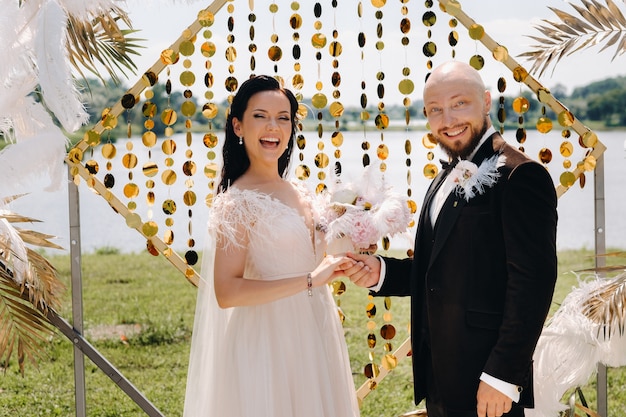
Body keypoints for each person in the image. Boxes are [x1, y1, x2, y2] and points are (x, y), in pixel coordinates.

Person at [343, 61, 558, 417]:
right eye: (435, 110)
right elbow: (442, 268)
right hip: (440, 374)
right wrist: (381, 272)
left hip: (486, 378)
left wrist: (503, 375)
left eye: (460, 103)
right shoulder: (444, 177)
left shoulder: (521, 175)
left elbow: (533, 283)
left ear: (486, 102)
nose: (448, 119)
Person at [183, 75, 360, 417]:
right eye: (260, 116)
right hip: (266, 342)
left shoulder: (302, 193)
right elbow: (227, 292)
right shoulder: (237, 202)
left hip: (315, 333)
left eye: (283, 118)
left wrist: (356, 236)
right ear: (238, 126)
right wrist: (310, 280)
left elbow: (320, 257)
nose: (273, 127)